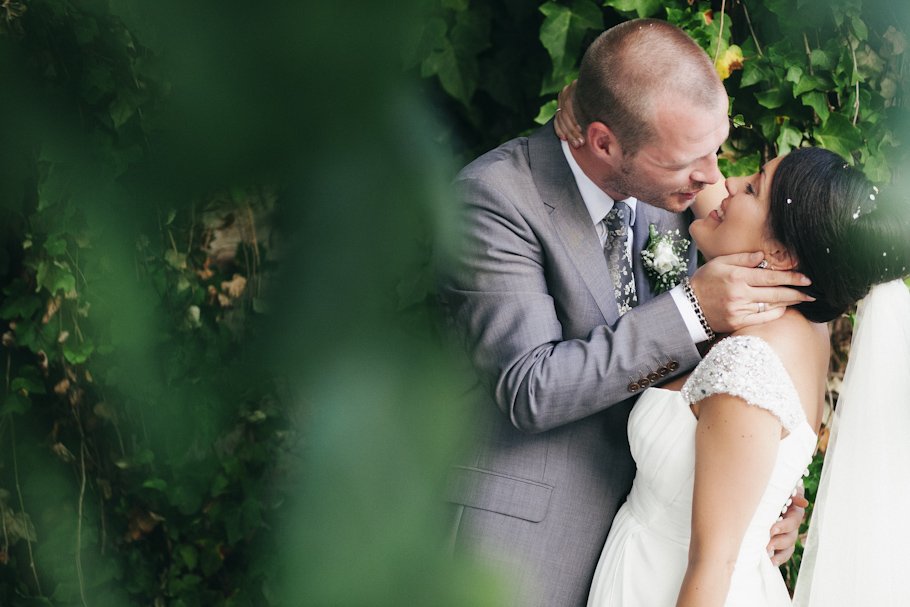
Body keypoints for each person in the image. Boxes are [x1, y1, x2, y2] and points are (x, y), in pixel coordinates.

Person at [439, 19, 811, 606]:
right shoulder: (494, 199)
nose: (713, 176)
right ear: (604, 142)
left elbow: (764, 315)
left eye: (718, 148)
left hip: (646, 558)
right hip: (522, 551)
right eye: (693, 159)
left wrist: (762, 502)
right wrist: (690, 310)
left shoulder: (680, 193)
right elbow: (530, 388)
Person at [582, 146, 910, 606]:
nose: (729, 184)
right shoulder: (808, 322)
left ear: (778, 253)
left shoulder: (749, 363)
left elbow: (712, 566)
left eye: (752, 186)